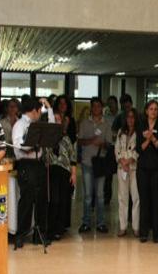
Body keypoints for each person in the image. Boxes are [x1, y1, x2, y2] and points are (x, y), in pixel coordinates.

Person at [11, 97, 46, 247]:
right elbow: (18, 144)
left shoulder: (36, 125)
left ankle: (38, 234)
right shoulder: (20, 124)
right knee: (26, 200)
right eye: (39, 111)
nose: (40, 114)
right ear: (35, 110)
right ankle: (21, 234)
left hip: (38, 163)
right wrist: (32, 145)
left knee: (40, 199)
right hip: (26, 164)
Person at [77, 97, 112, 234]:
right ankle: (85, 222)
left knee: (100, 195)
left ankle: (101, 223)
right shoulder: (85, 123)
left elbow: (109, 145)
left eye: (99, 106)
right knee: (87, 195)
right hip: (86, 162)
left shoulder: (106, 124)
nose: (96, 108)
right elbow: (79, 141)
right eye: (94, 106)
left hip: (101, 163)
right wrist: (91, 140)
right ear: (91, 108)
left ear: (101, 108)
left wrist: (102, 144)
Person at [136, 100, 158, 243]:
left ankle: (157, 233)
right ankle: (143, 232)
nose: (153, 111)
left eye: (156, 109)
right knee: (144, 200)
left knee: (156, 200)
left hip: (157, 168)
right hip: (143, 167)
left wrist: (152, 138)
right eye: (151, 109)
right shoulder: (140, 126)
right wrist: (147, 140)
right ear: (146, 111)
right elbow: (138, 148)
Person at [46, 122, 77, 241]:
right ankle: (51, 228)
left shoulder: (66, 139)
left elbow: (72, 157)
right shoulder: (47, 138)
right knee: (54, 200)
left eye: (59, 120)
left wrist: (74, 174)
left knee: (63, 200)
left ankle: (60, 229)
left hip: (64, 171)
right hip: (51, 171)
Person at [114, 107, 140, 238]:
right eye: (128, 117)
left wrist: (130, 160)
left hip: (134, 168)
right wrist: (121, 161)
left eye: (132, 117)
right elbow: (117, 149)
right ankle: (123, 227)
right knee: (122, 198)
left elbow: (139, 150)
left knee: (136, 198)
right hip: (122, 168)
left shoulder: (139, 132)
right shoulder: (120, 132)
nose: (130, 119)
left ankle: (136, 227)